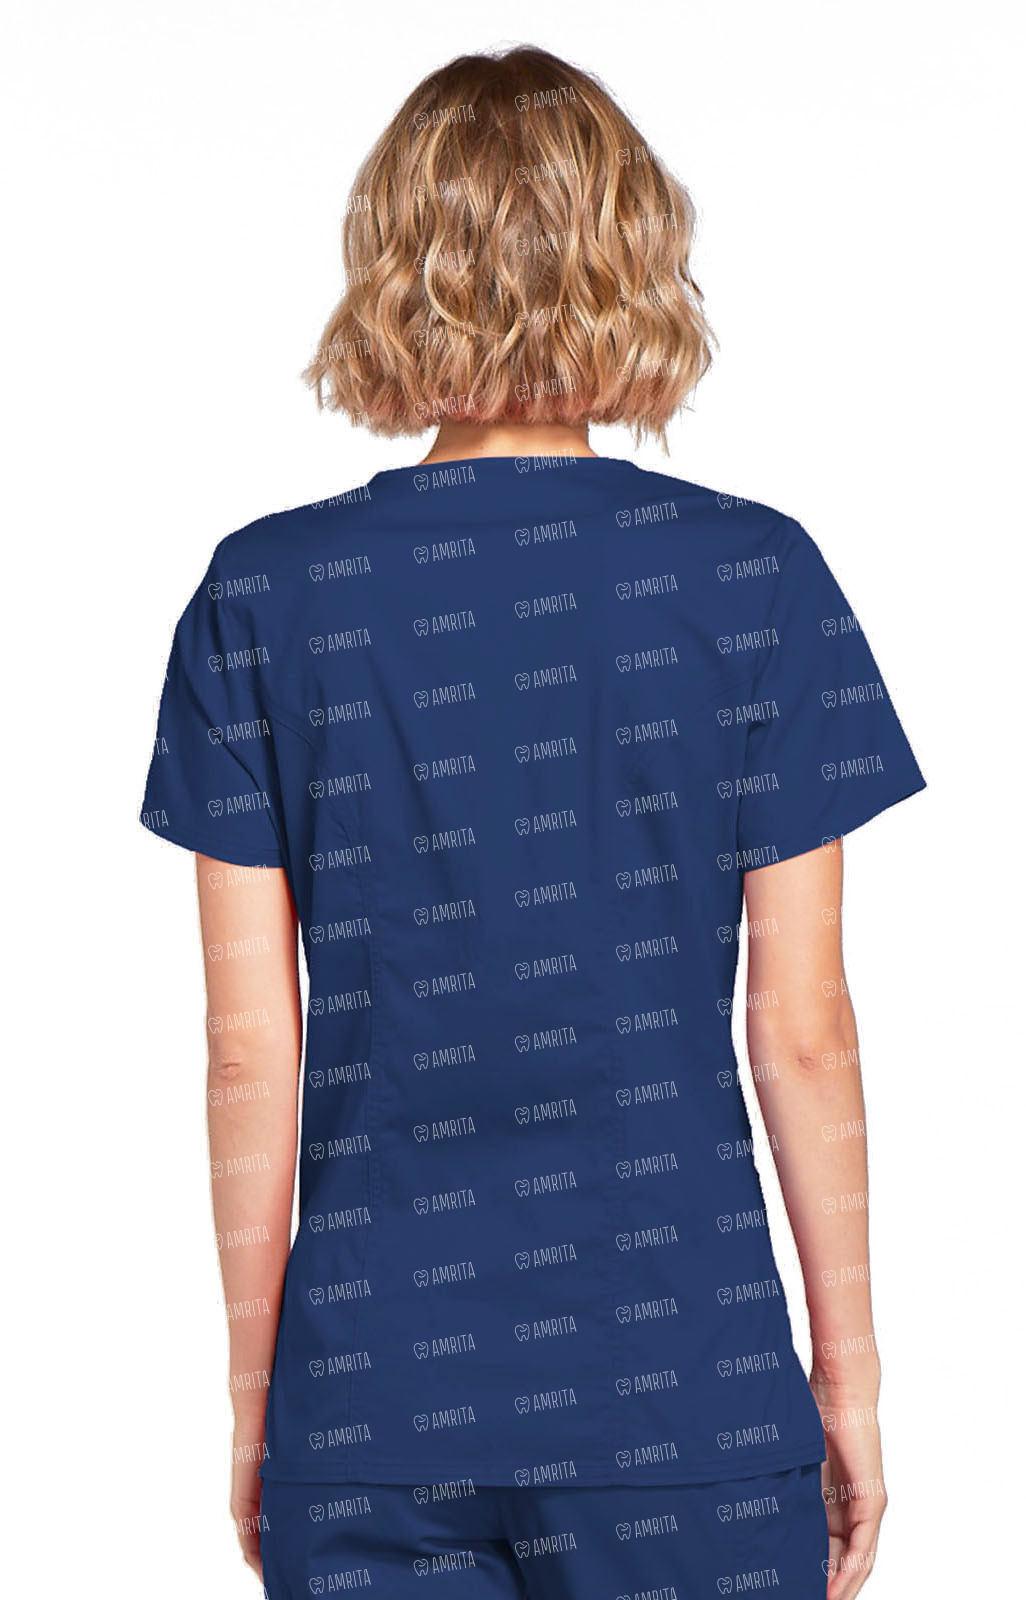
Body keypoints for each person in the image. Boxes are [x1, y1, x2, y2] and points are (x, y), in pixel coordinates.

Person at [139, 44, 925, 1600]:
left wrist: (261, 1406)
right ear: (634, 251)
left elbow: (246, 1052)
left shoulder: (264, 593)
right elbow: (802, 1032)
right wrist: (849, 1381)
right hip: (684, 1395)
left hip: (370, 1400)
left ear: (391, 262)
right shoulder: (752, 577)